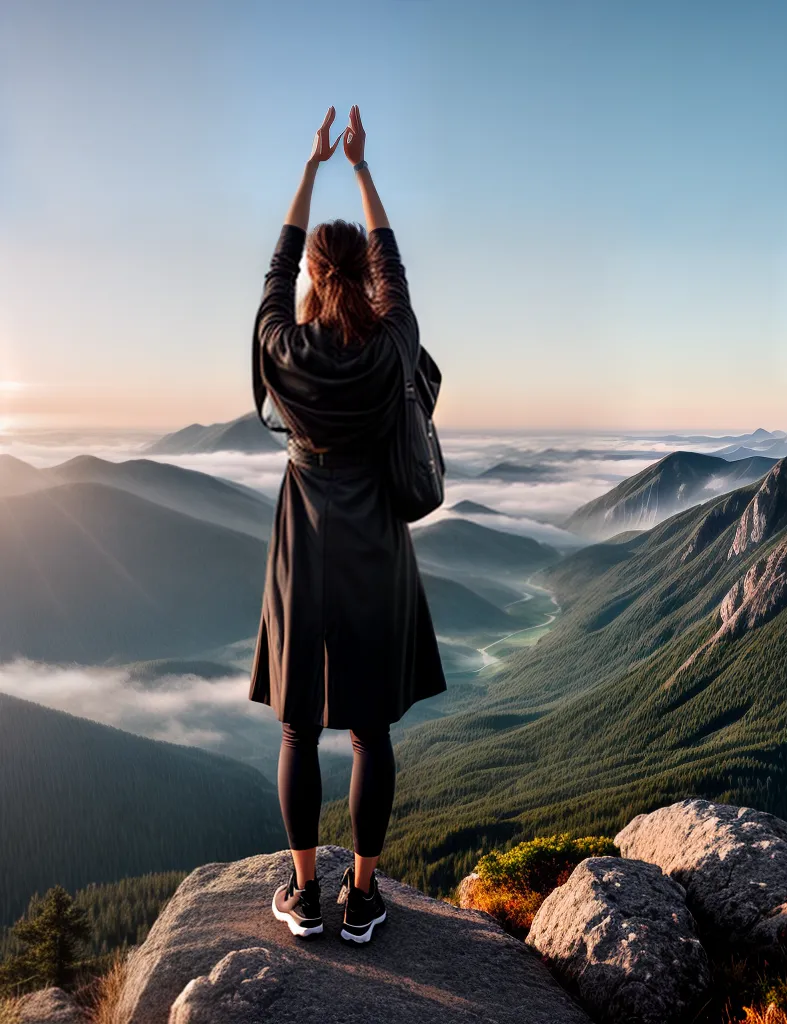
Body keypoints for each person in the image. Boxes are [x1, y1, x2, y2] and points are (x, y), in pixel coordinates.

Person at [248, 104, 447, 944]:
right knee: (369, 729)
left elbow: (274, 268)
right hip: (376, 538)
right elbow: (392, 262)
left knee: (300, 723)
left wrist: (310, 166)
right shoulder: (392, 342)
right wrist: (361, 169)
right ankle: (363, 898)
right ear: (363, 280)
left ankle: (303, 895)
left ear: (308, 280)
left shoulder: (281, 349)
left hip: (304, 538)